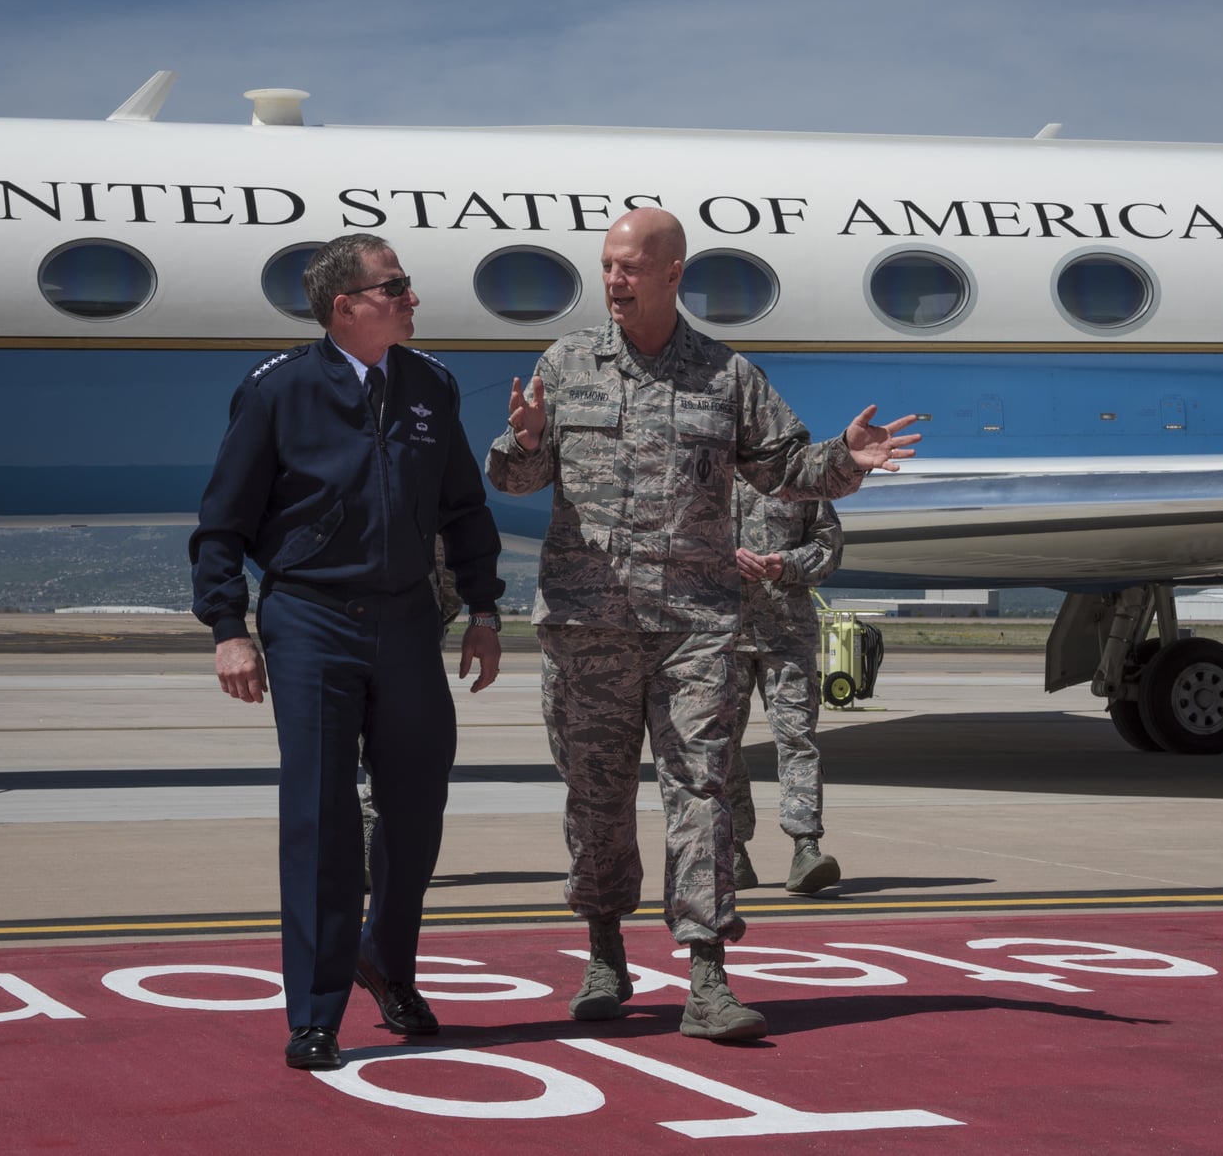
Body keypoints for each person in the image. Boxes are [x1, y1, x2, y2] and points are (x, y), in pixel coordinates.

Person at [485, 207, 919, 1042]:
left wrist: (843, 458)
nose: (614, 279)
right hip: (589, 629)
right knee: (597, 798)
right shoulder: (565, 363)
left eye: (630, 267)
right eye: (607, 265)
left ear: (673, 272)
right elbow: (517, 475)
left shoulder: (727, 376)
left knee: (704, 795)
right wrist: (525, 441)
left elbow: (786, 469)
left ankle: (708, 974)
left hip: (696, 629)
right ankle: (604, 953)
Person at [190, 233, 504, 1071]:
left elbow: (464, 509)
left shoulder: (432, 385)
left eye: (406, 283)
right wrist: (229, 628)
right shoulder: (277, 391)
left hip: (408, 625)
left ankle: (386, 964)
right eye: (393, 286)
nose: (410, 296)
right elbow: (221, 522)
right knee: (323, 819)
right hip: (311, 621)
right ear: (345, 306)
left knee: (415, 811)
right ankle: (316, 1012)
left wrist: (484, 607)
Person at [726, 478, 844, 896]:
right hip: (719, 635)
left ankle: (806, 848)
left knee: (797, 740)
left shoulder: (798, 479)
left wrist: (787, 563)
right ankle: (731, 850)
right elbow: (668, 543)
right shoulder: (700, 469)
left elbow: (828, 546)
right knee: (718, 745)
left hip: (787, 635)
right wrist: (721, 557)